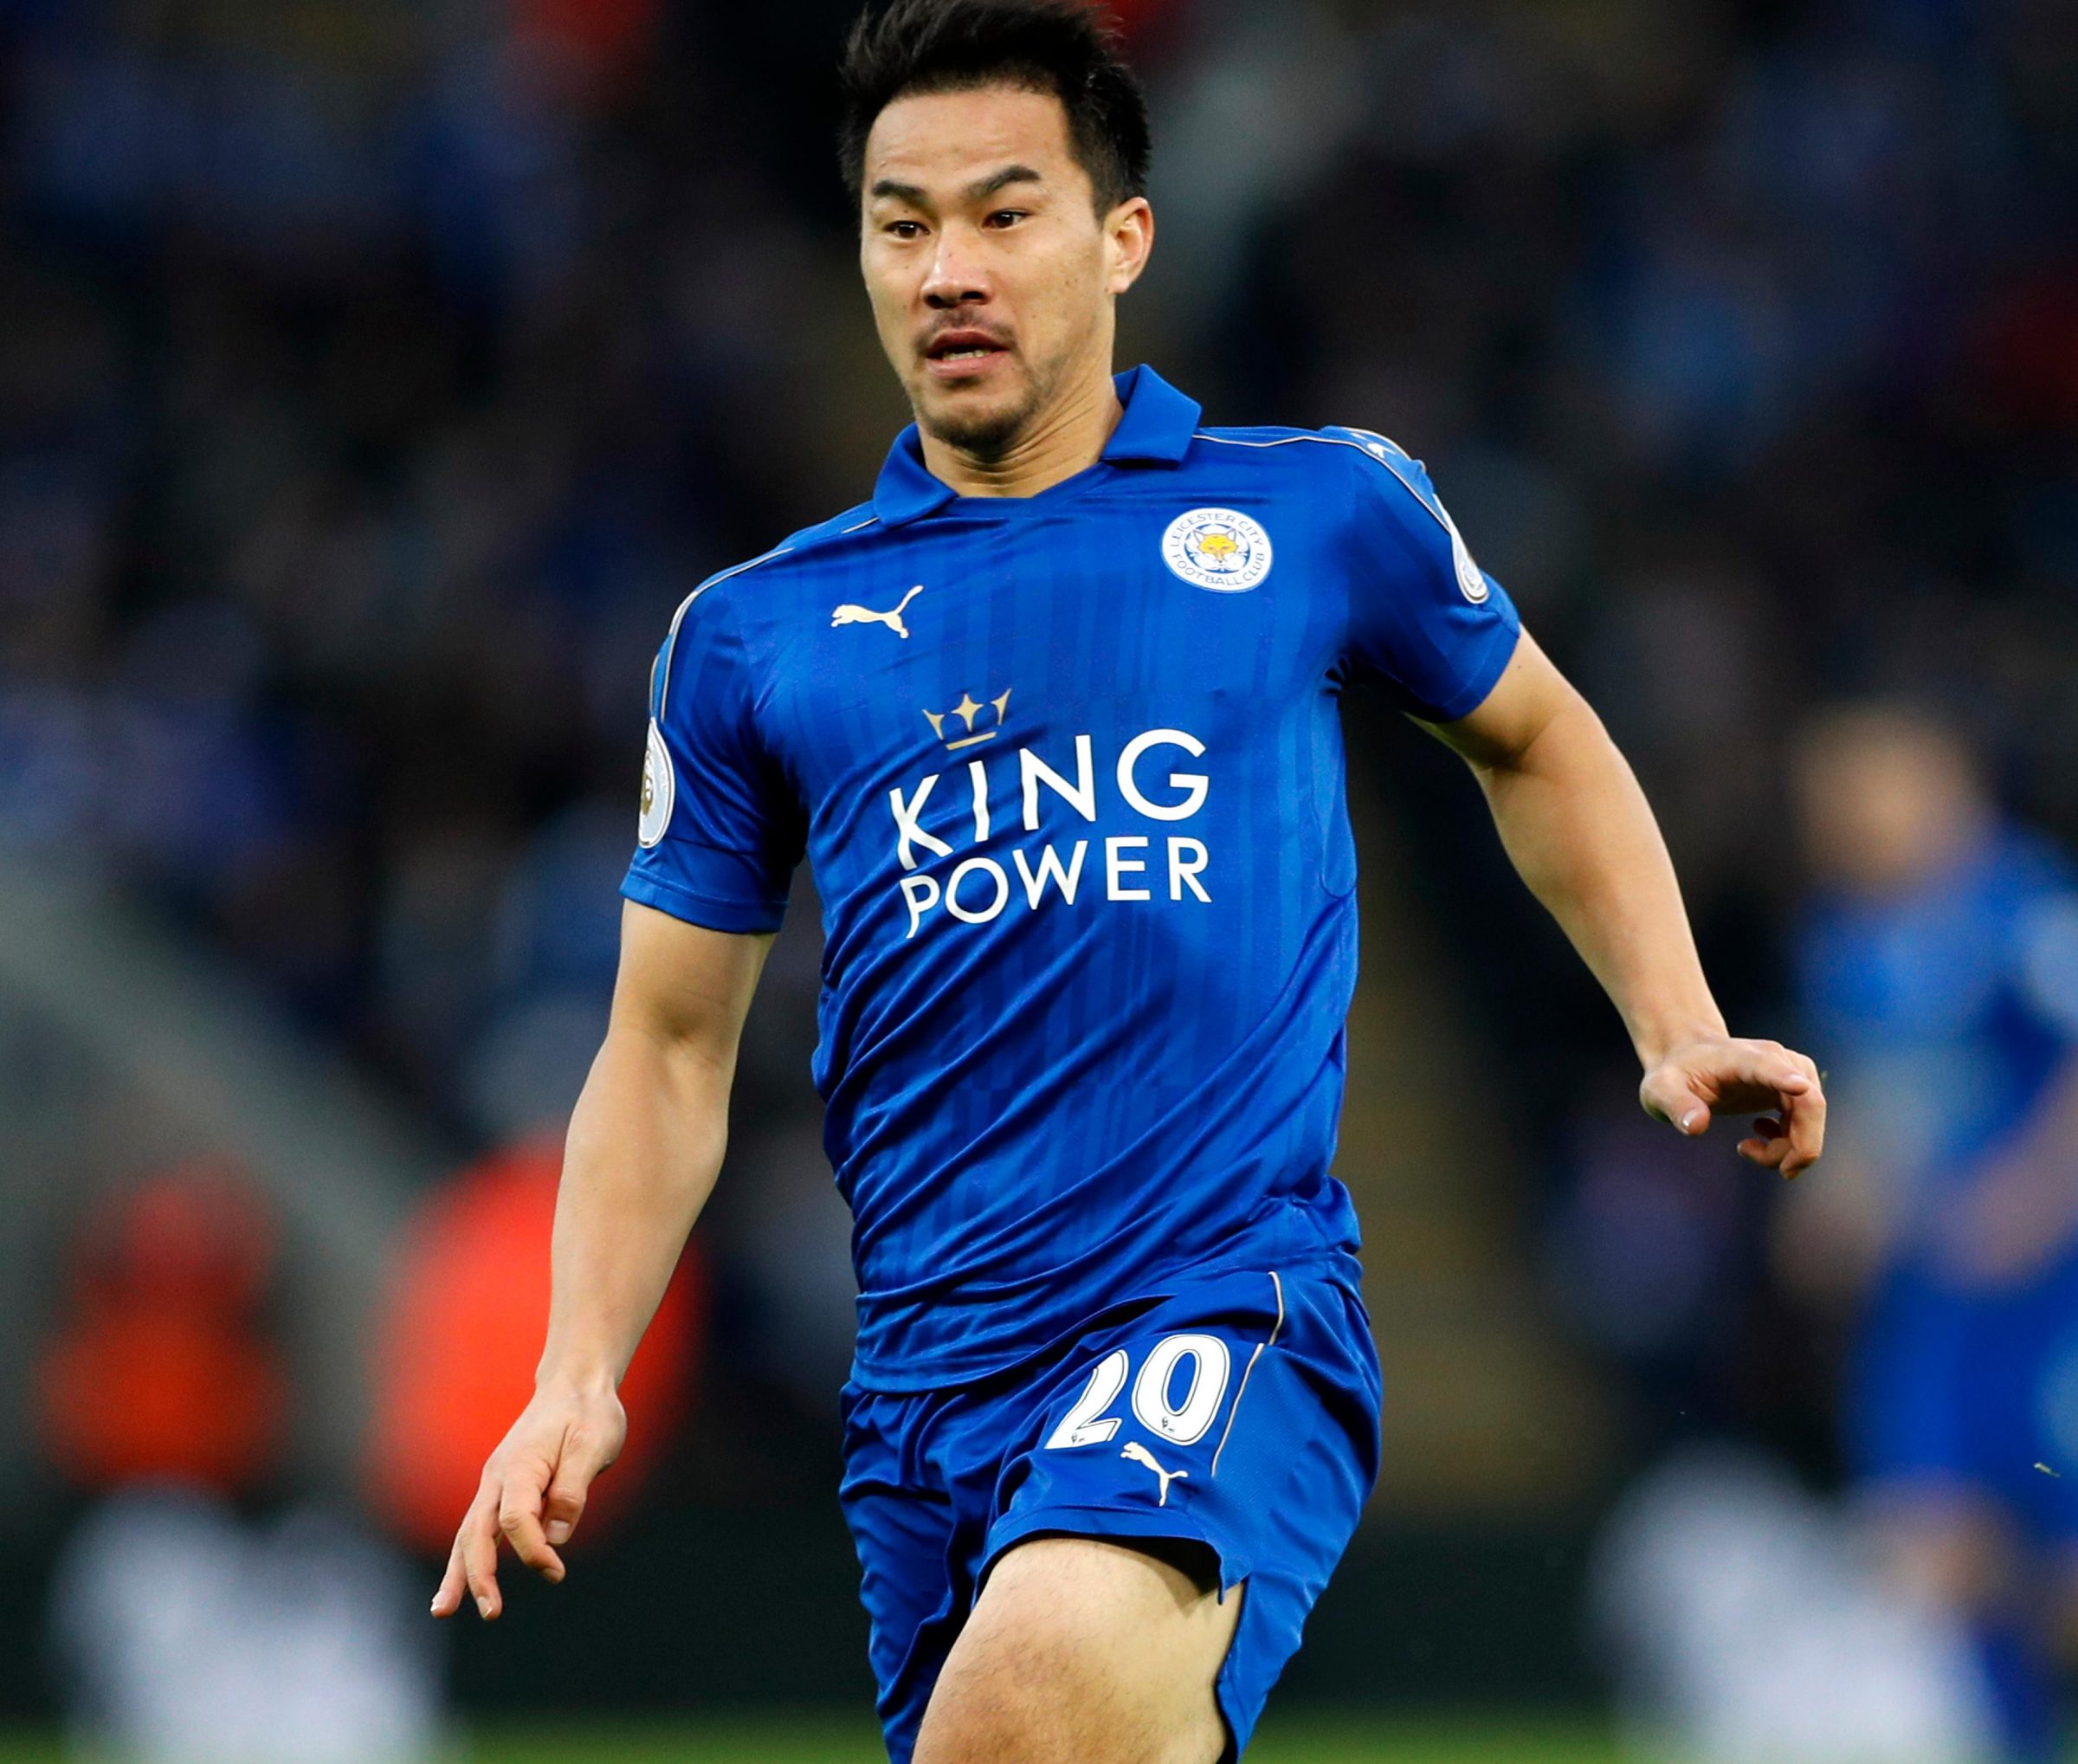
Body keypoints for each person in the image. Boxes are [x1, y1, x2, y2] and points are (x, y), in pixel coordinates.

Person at [430, 3, 1826, 1758]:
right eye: (901, 222)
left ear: (1123, 238)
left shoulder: (1319, 513)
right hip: (927, 1387)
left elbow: (1537, 736)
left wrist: (1674, 1021)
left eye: (1004, 212)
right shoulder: (750, 636)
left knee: (1023, 1713)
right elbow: (665, 1047)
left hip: (1221, 1306)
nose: (948, 267)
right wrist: (576, 1367)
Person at [1784, 703, 2078, 1764]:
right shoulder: (1841, 941)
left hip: (2053, 1294)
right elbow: (1879, 1101)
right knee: (1928, 1546)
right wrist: (1833, 1195)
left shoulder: (2026, 908)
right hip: (1931, 1298)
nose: (1849, 818)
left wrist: (2035, 1192)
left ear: (1941, 781)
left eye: (1869, 788)